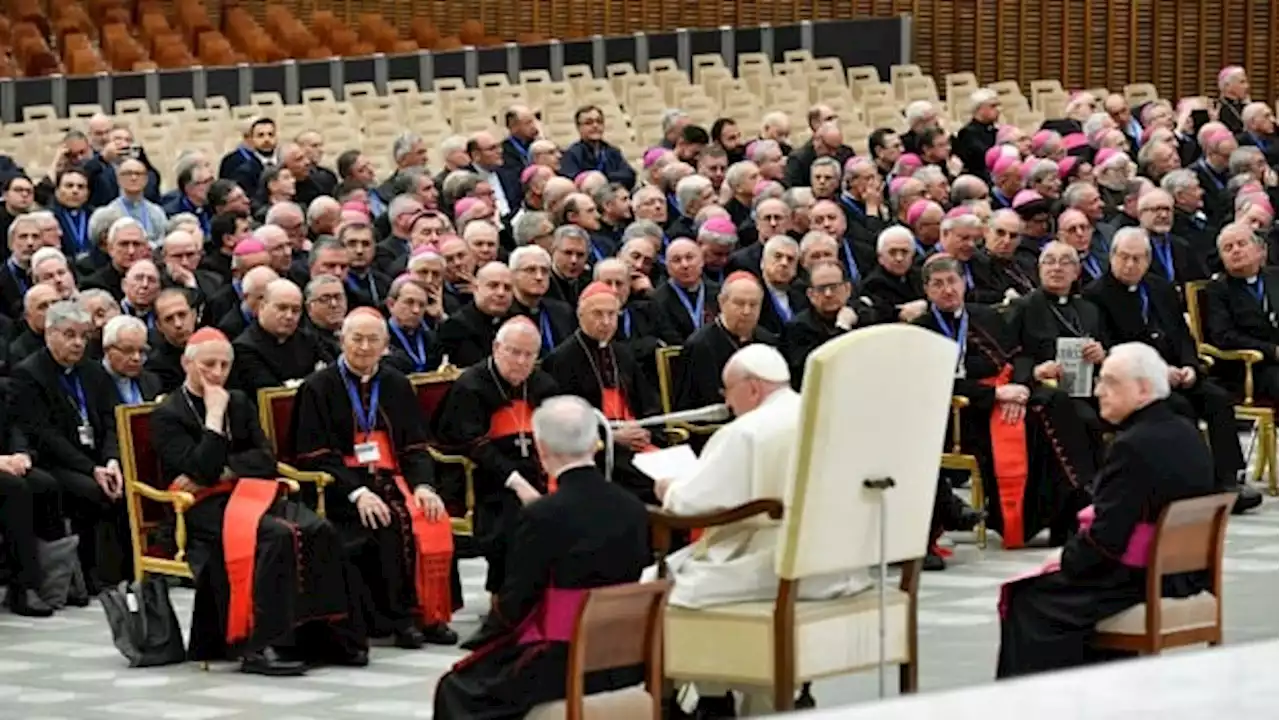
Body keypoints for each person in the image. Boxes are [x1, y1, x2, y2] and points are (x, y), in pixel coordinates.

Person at [149, 328, 367, 674]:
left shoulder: (239, 401)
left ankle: (324, 637)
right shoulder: (168, 413)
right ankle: (262, 644)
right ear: (186, 363)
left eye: (224, 364)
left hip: (253, 492)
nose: (217, 373)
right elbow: (202, 472)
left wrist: (229, 469)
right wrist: (213, 419)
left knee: (318, 528)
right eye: (208, 364)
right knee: (277, 536)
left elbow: (265, 458)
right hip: (203, 507)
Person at [997, 343, 1215, 678]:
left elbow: (1107, 541)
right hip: (1183, 574)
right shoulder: (1186, 431)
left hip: (1141, 579)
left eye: (1111, 382)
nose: (1099, 391)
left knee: (1030, 600)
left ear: (1143, 389)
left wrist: (1064, 560)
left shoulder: (1134, 445)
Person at [433, 396, 650, 719]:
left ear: (541, 449)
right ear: (595, 444)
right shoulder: (634, 509)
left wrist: (487, 637)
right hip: (625, 661)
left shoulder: (542, 516)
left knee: (455, 687)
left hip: (563, 662)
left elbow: (516, 602)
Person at [293, 308, 458, 648]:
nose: (365, 347)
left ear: (386, 344)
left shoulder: (396, 383)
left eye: (373, 340)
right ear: (342, 340)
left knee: (431, 517)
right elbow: (316, 455)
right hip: (343, 485)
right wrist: (356, 494)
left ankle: (432, 614)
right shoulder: (318, 387)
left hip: (392, 476)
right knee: (386, 523)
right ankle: (399, 620)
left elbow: (414, 445)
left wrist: (424, 486)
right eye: (357, 339)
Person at [656, 344, 869, 607]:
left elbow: (692, 505)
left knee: (665, 586)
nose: (727, 402)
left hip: (776, 561)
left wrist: (671, 491)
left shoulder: (746, 431)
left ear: (753, 388)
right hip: (839, 562)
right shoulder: (825, 415)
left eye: (729, 391)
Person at [915, 254, 1097, 550]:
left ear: (964, 283)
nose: (947, 290)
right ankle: (1045, 516)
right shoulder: (920, 329)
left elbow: (1020, 355)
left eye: (952, 281)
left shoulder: (985, 315)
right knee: (1037, 423)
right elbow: (931, 382)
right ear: (927, 290)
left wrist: (1018, 387)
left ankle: (1070, 510)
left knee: (1057, 404)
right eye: (938, 284)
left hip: (1006, 391)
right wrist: (995, 396)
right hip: (962, 411)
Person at [1084, 228, 1262, 513]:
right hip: (1139, 382)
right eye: (1124, 258)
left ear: (1148, 259)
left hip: (1177, 373)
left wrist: (1190, 366)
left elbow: (1182, 336)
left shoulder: (1160, 288)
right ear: (1112, 257)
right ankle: (1194, 486)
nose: (1130, 265)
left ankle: (1228, 480)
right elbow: (1112, 347)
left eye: (1138, 258)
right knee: (1179, 408)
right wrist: (1158, 372)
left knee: (1216, 398)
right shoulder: (1096, 295)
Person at [433, 318, 559, 598]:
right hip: (483, 479)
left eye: (529, 355)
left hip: (538, 471)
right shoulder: (471, 386)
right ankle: (507, 601)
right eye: (514, 352)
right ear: (496, 348)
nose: (521, 362)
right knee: (516, 517)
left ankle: (554, 598)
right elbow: (473, 446)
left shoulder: (542, 384)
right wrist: (517, 483)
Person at [15, 299, 130, 589]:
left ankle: (128, 570)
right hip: (56, 460)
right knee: (91, 491)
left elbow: (112, 420)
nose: (78, 343)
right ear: (49, 334)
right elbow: (44, 435)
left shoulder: (93, 372)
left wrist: (112, 460)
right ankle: (91, 574)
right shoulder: (30, 373)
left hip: (97, 459)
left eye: (84, 335)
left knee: (127, 485)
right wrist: (93, 469)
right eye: (69, 335)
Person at [542, 282, 661, 502]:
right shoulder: (561, 360)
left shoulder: (623, 354)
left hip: (634, 442)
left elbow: (649, 403)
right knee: (649, 483)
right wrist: (610, 437)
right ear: (580, 315)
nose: (606, 322)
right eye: (598, 314)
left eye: (612, 314)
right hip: (596, 450)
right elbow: (563, 422)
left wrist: (645, 429)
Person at [675, 271, 775, 410]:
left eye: (753, 304)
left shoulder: (768, 342)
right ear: (722, 302)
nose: (747, 311)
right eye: (739, 303)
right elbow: (700, 402)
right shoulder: (701, 345)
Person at [230, 279, 332, 395]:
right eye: (282, 308)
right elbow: (272, 393)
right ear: (262, 307)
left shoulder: (308, 339)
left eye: (295, 310)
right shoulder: (244, 347)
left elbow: (331, 375)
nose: (289, 316)